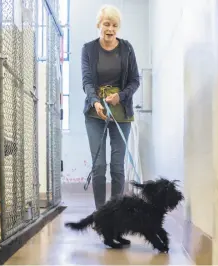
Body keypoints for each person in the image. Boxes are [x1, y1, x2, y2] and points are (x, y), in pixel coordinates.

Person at [81, 4, 140, 210]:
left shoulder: (127, 48)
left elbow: (135, 80)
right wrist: (95, 102)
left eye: (115, 25)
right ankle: (101, 215)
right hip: (95, 111)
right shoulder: (88, 49)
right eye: (107, 24)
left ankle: (116, 215)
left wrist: (121, 96)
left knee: (117, 166)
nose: (110, 29)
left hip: (121, 112)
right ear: (99, 24)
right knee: (99, 166)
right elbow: (87, 81)